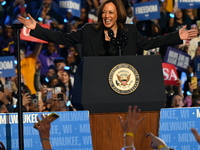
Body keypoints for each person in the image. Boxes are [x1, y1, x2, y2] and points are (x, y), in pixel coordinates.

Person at [17, 0, 198, 57]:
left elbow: (149, 43)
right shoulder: (88, 30)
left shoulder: (130, 31)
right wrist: (37, 28)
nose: (107, 16)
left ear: (117, 14)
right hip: (95, 85)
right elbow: (62, 38)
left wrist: (177, 36)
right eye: (104, 12)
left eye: (111, 12)